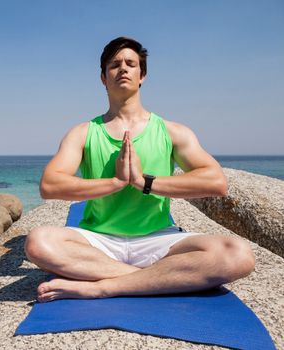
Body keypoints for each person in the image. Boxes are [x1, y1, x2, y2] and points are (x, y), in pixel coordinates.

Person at [24, 37, 255, 303]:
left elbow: (216, 182)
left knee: (238, 254)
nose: (122, 68)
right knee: (38, 242)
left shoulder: (172, 131)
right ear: (103, 78)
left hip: (157, 240)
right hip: (98, 242)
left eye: (130, 64)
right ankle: (151, 279)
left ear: (142, 75)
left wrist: (142, 181)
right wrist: (116, 182)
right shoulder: (83, 133)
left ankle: (104, 287)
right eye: (114, 65)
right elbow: (50, 185)